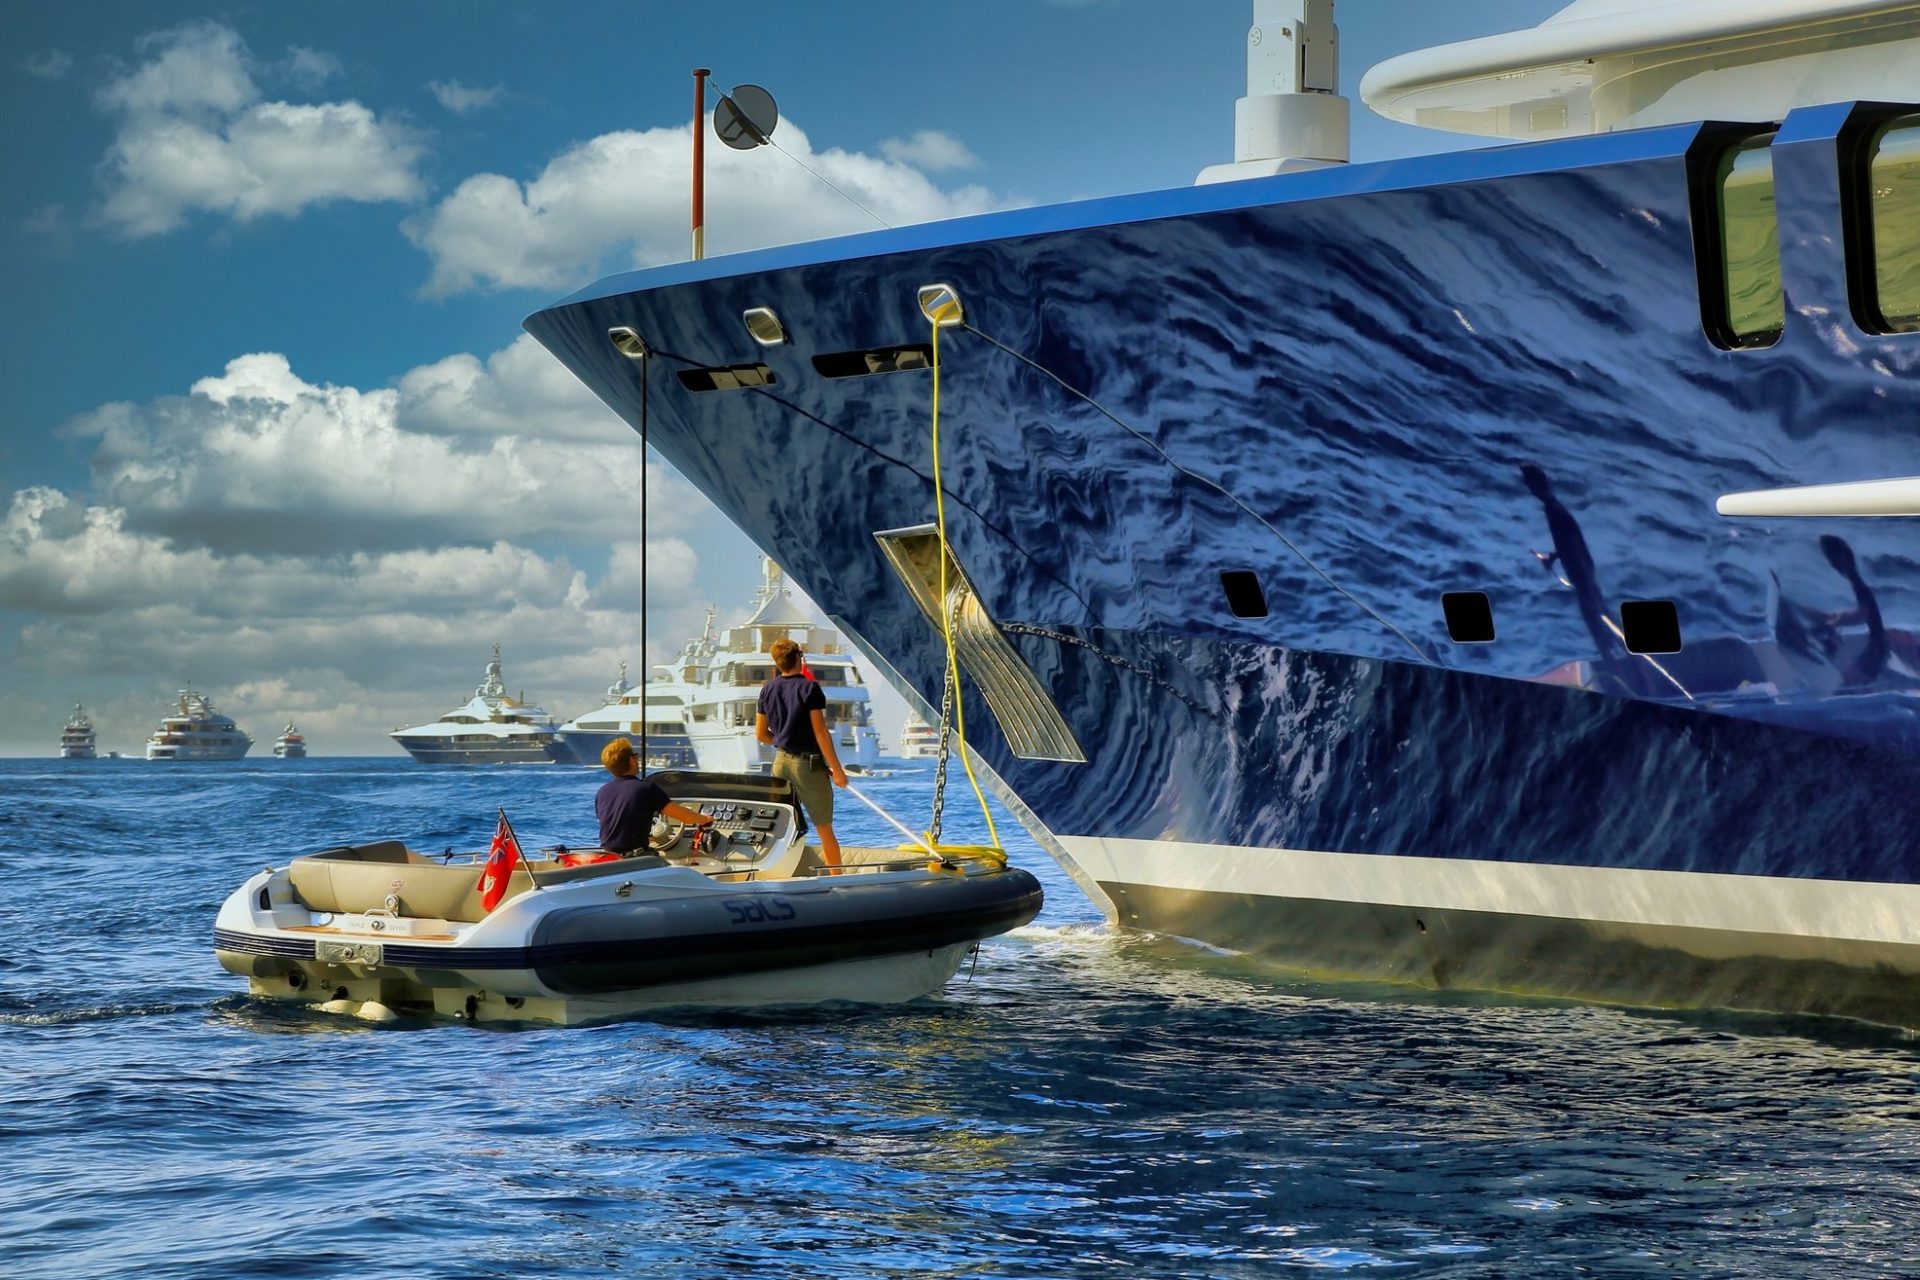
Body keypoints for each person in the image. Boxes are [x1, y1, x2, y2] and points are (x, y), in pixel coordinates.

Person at [756, 637, 848, 866]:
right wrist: (837, 771)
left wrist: (783, 743)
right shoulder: (809, 688)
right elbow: (821, 734)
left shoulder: (767, 689)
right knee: (824, 828)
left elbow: (760, 734)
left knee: (780, 826)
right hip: (806, 766)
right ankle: (837, 880)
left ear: (777, 663)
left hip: (780, 763)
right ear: (798, 658)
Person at [595, 737, 712, 855]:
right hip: (634, 861)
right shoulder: (646, 788)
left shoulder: (602, 792)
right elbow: (683, 816)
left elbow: (618, 826)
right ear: (632, 760)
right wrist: (705, 820)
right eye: (636, 756)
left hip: (610, 858)